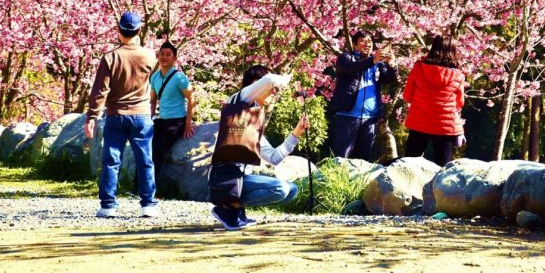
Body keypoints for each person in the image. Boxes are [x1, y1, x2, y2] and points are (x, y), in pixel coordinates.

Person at [210, 65, 309, 231]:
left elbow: (274, 157)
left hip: (242, 179)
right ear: (257, 84)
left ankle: (236, 208)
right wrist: (288, 78)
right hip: (226, 178)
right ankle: (227, 208)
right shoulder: (238, 100)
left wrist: (297, 132)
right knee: (280, 188)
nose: (274, 92)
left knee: (291, 190)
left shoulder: (251, 119)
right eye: (273, 89)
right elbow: (270, 80)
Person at [84, 11, 159, 218]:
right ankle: (148, 205)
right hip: (142, 115)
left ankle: (108, 206)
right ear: (139, 30)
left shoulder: (110, 58)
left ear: (118, 30)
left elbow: (100, 91)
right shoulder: (150, 56)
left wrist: (91, 117)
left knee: (111, 161)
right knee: (145, 161)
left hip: (116, 115)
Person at [328, 31, 397, 162]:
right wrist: (372, 60)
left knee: (364, 160)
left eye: (370, 42)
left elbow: (388, 79)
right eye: (363, 41)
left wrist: (392, 65)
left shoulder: (378, 63)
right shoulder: (346, 57)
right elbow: (348, 68)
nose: (367, 44)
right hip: (347, 116)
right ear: (354, 44)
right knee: (341, 158)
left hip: (369, 119)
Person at [402, 34, 465, 166]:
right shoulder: (458, 75)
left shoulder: (418, 68)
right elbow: (460, 103)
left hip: (419, 122)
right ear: (453, 51)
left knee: (409, 166)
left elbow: (407, 96)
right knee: (442, 169)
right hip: (445, 127)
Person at [148, 41, 196, 188]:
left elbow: (192, 98)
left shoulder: (179, 77)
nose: (164, 57)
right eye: (162, 54)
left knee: (157, 151)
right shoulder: (155, 77)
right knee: (146, 147)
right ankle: (142, 186)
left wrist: (188, 123)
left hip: (176, 121)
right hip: (161, 120)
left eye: (168, 55)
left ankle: (149, 188)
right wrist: (148, 119)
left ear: (175, 58)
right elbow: (152, 100)